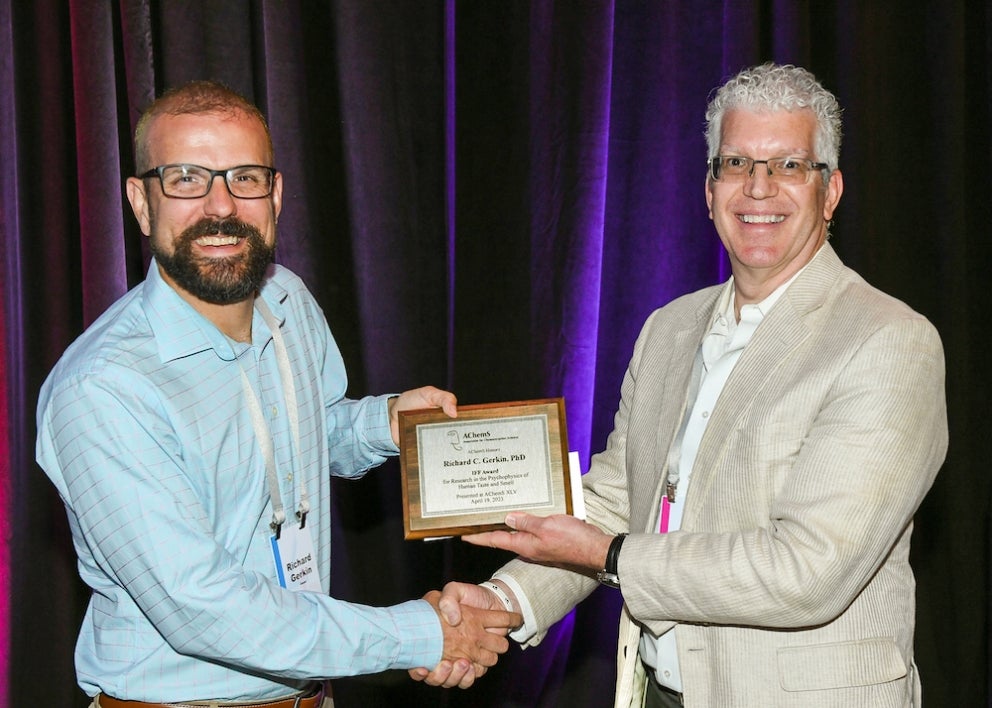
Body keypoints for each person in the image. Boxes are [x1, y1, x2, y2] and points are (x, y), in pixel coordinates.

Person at [415, 63, 948, 707]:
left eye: (788, 166)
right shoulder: (669, 329)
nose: (758, 188)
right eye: (736, 164)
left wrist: (609, 556)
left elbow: (809, 573)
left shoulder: (886, 341)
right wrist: (500, 602)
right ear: (709, 189)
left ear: (830, 191)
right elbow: (617, 499)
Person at [36, 80, 520, 707]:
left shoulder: (285, 298)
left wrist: (386, 425)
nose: (220, 206)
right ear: (141, 201)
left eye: (245, 177)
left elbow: (311, 435)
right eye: (185, 178)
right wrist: (422, 635)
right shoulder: (102, 390)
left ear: (276, 193)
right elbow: (204, 608)